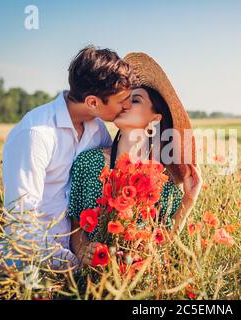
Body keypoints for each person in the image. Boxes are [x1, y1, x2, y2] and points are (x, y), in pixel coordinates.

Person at [0, 45, 134, 270]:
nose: (128, 106)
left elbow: (112, 176)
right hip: (30, 263)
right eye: (122, 101)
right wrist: (75, 264)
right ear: (92, 102)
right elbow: (21, 224)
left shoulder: (96, 128)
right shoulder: (36, 133)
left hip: (75, 256)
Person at [67, 53, 202, 267]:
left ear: (154, 118)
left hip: (137, 280)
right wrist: (84, 250)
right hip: (93, 281)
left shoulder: (160, 179)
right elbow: (76, 228)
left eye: (136, 99)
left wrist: (189, 200)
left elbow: (165, 243)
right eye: (125, 98)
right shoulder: (88, 162)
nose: (126, 104)